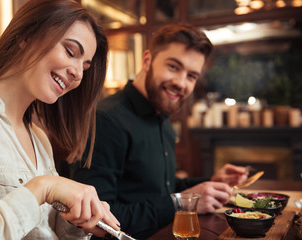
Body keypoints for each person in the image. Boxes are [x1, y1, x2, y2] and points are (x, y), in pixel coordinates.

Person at [0, 0, 120, 239]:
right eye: (70, 52)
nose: (78, 73)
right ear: (27, 36)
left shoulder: (38, 137)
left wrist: (79, 221)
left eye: (85, 67)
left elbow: (44, 232)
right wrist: (40, 189)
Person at [71, 23, 249, 239]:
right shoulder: (106, 120)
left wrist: (211, 183)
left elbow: (159, 188)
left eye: (191, 76)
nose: (181, 83)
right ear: (147, 61)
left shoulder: (162, 116)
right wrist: (180, 203)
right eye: (173, 67)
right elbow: (97, 220)